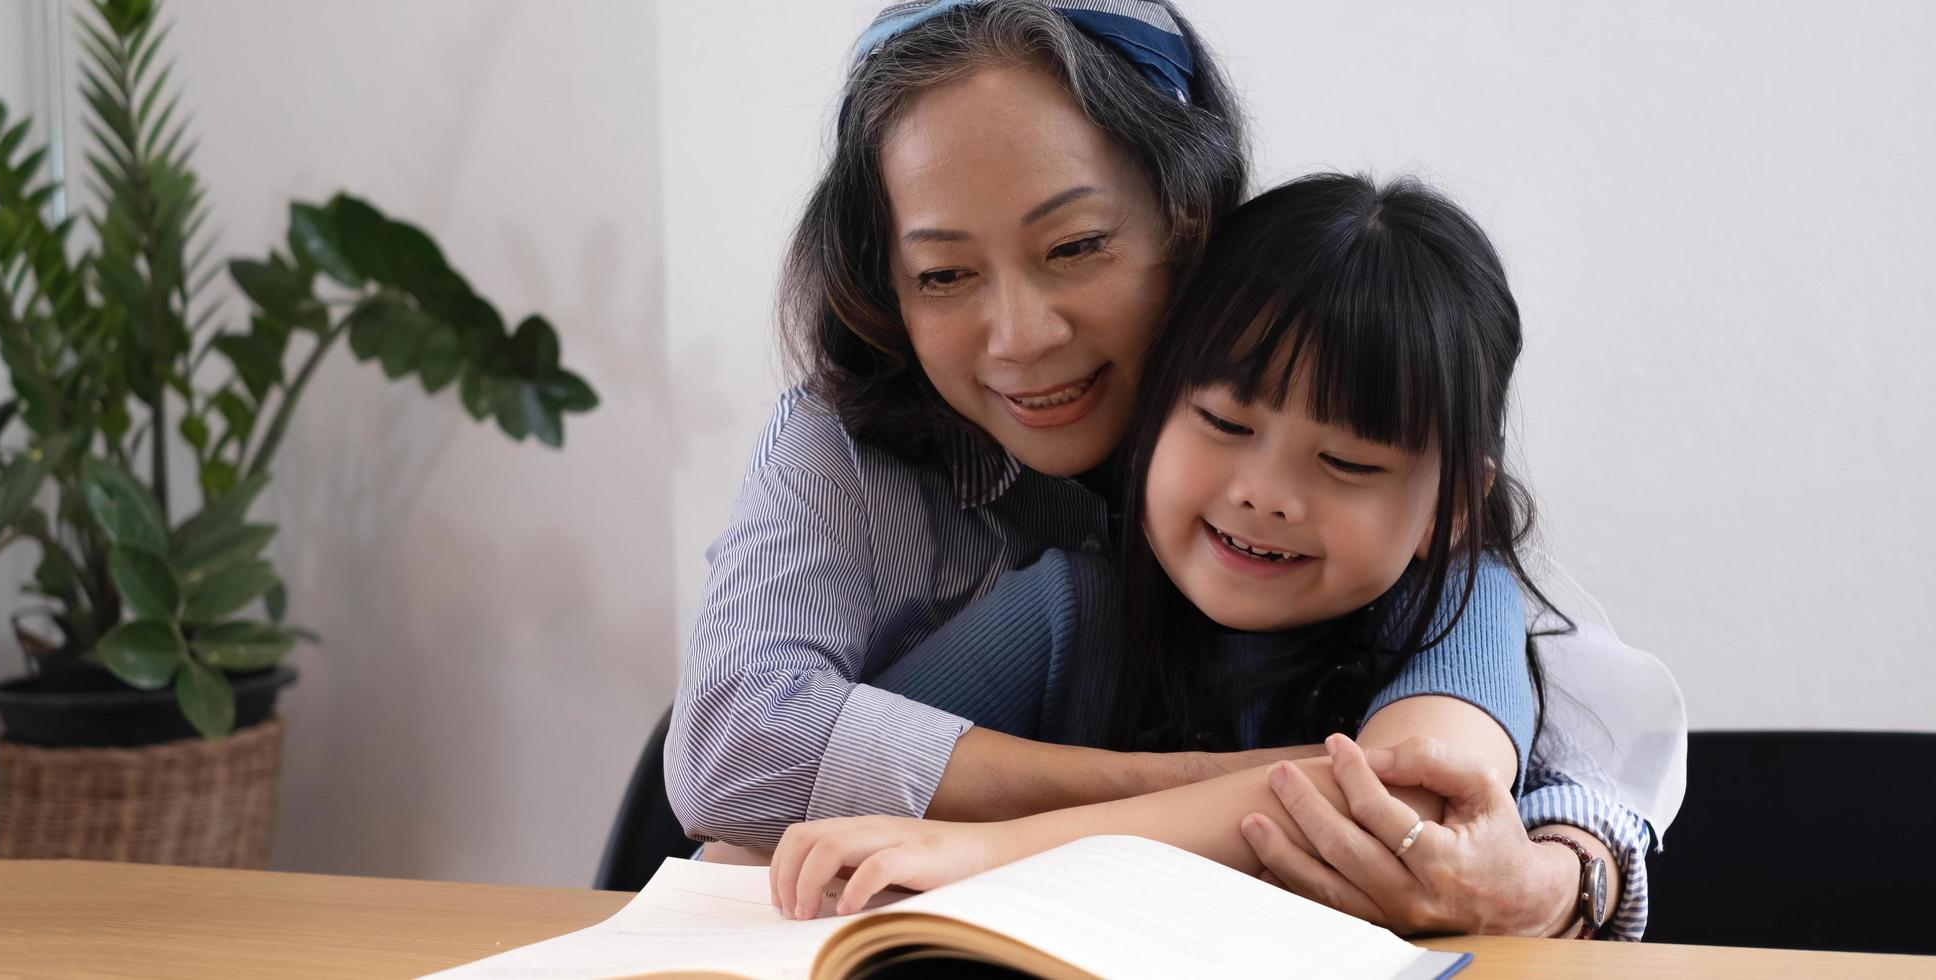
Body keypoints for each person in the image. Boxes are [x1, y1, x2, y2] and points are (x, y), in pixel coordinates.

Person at [668, 0, 1658, 939]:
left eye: (1076, 245)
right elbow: (742, 780)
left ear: (1186, 218)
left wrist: (1564, 861)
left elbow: (1458, 785)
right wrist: (1272, 783)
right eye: (942, 272)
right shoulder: (1060, 600)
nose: (1019, 338)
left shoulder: (1435, 569)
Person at [769, 174, 1593, 938]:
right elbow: (847, 783)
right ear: (1152, 415)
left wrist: (991, 851)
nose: (1266, 494)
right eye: (1226, 425)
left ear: (1448, 507)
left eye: (1348, 464)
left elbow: (1409, 805)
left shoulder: (1453, 603)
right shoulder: (1066, 610)